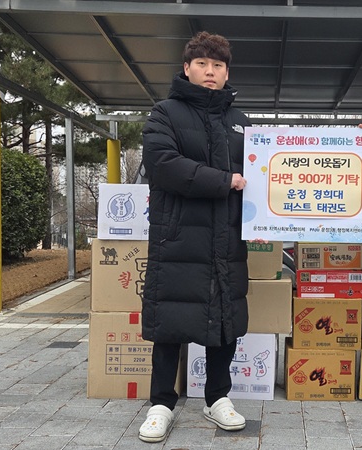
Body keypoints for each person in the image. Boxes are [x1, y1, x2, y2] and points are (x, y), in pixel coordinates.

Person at [138, 31, 251, 443]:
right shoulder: (164, 112)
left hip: (227, 238)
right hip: (177, 238)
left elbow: (267, 170)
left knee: (224, 321)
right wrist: (224, 181)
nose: (210, 71)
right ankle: (161, 404)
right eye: (202, 63)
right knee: (169, 321)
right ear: (187, 68)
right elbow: (163, 164)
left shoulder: (240, 121)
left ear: (227, 73)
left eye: (218, 65)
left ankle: (217, 397)